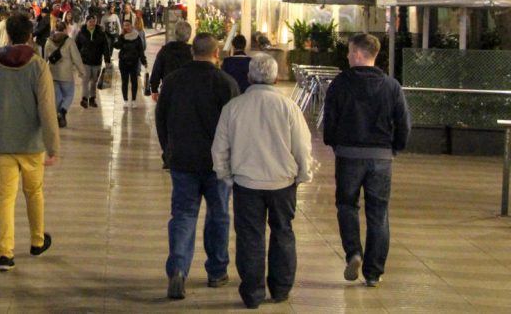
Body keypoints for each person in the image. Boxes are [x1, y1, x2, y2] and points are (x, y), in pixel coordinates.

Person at [212, 55, 314, 308]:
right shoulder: (289, 107)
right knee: (283, 234)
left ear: (248, 77)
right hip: (282, 183)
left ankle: (252, 293)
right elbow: (302, 146)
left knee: (249, 238)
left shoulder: (234, 107)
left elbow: (220, 148)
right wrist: (303, 174)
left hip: (247, 184)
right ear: (277, 78)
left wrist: (225, 176)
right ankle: (280, 289)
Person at [0, 13, 59, 271]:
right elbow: (46, 109)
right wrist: (53, 145)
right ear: (31, 36)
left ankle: (5, 253)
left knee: (6, 197)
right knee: (34, 193)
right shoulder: (38, 65)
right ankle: (36, 240)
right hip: (31, 143)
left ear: (7, 34)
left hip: (2, 142)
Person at [156, 32, 239, 300]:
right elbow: (235, 126)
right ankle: (217, 271)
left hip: (183, 160)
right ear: (217, 54)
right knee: (219, 215)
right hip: (218, 164)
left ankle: (178, 269)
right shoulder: (226, 83)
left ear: (193, 52)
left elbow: (162, 120)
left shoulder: (172, 81)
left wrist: (168, 150)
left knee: (183, 215)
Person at [323, 33, 410, 288]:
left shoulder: (340, 83)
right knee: (378, 212)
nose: (348, 56)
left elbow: (329, 120)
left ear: (359, 54)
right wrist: (395, 148)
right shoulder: (391, 86)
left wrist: (334, 143)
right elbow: (404, 123)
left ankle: (353, 253)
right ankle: (373, 272)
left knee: (347, 205)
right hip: (381, 157)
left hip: (349, 155)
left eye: (350, 52)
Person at [44, 20, 85, 128]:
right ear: (65, 29)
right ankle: (62, 112)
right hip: (66, 74)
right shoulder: (69, 41)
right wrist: (82, 71)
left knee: (57, 96)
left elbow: (45, 58)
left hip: (52, 72)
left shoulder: (48, 41)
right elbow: (76, 57)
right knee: (69, 95)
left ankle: (58, 118)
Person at [75, 14, 110, 109]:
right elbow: (76, 47)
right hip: (85, 61)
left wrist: (107, 60)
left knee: (94, 81)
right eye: (90, 21)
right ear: (86, 22)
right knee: (85, 80)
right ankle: (84, 99)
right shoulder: (81, 33)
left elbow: (105, 47)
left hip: (97, 61)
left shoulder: (101, 33)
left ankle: (92, 99)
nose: (92, 23)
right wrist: (76, 60)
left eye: (93, 21)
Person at [113, 19, 147, 108]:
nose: (126, 27)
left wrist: (144, 61)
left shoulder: (137, 36)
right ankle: (125, 100)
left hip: (134, 62)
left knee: (134, 81)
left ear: (131, 26)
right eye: (125, 25)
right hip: (123, 63)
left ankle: (134, 100)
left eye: (128, 25)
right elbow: (117, 46)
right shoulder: (122, 37)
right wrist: (119, 37)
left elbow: (141, 50)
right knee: (124, 82)